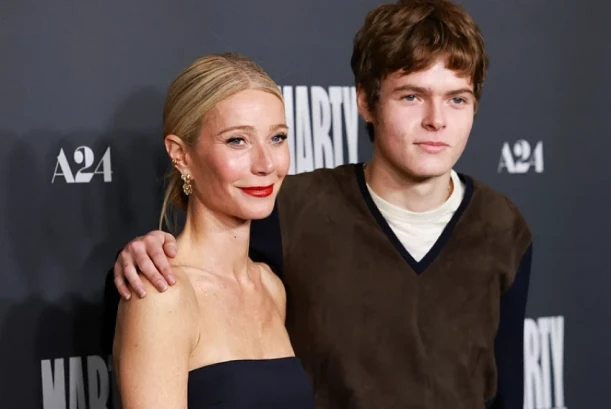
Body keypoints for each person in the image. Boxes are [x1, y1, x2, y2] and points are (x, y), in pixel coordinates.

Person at [105, 1, 533, 408]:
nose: (436, 120)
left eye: (457, 98)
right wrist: (135, 262)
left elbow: (506, 388)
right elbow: (169, 294)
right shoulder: (289, 209)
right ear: (365, 101)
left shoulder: (502, 227)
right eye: (411, 96)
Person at [110, 53, 315, 409]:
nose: (266, 164)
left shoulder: (270, 287)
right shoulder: (162, 294)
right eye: (237, 141)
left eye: (277, 137)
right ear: (181, 154)